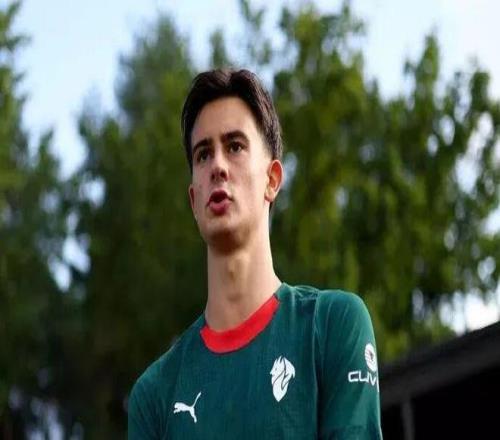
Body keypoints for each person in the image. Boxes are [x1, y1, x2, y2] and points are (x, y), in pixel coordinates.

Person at [128, 68, 383, 439]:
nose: (217, 166)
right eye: (203, 154)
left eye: (234, 146)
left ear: (272, 179)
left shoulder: (332, 326)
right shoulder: (154, 397)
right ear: (194, 200)